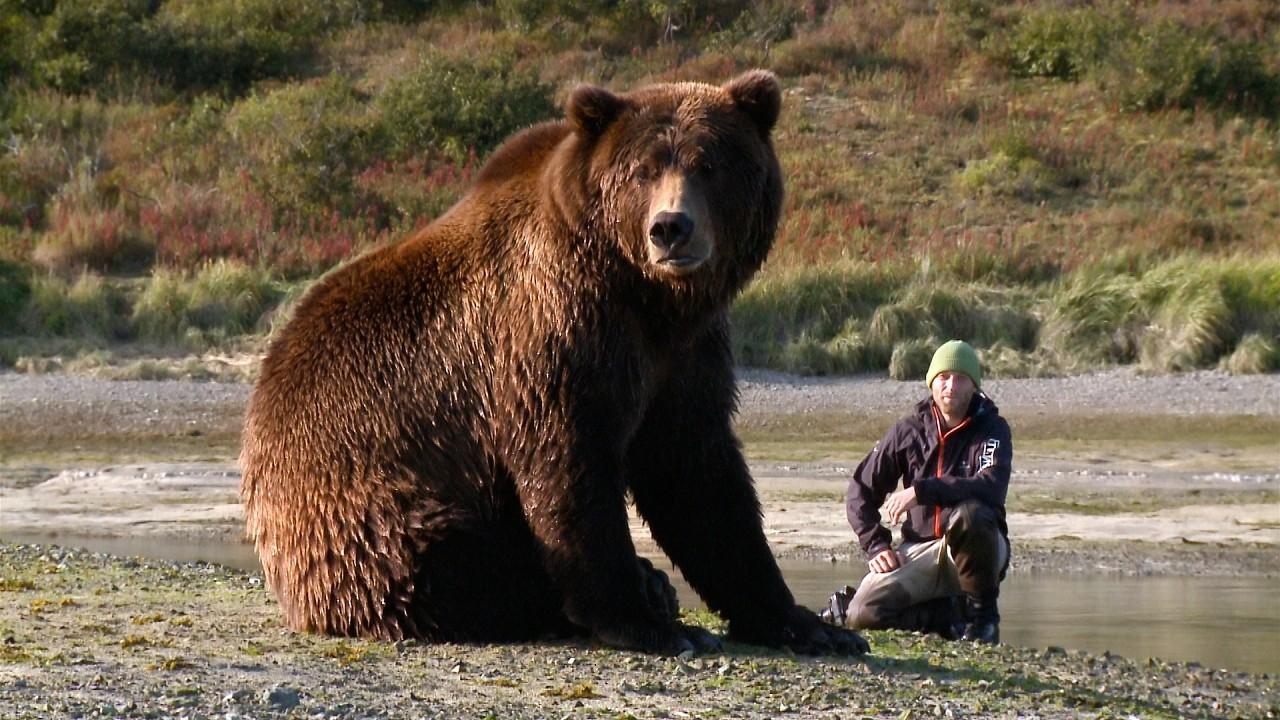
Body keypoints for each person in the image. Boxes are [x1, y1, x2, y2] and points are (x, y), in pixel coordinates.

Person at [824, 340, 1012, 643]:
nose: (950, 385)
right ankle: (947, 616)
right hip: (918, 549)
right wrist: (876, 544)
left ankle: (983, 620)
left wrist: (921, 491)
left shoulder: (993, 429)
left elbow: (991, 486)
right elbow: (860, 490)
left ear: (974, 385)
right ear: (932, 383)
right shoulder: (908, 431)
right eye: (943, 377)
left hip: (973, 551)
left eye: (960, 378)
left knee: (972, 515)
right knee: (861, 614)